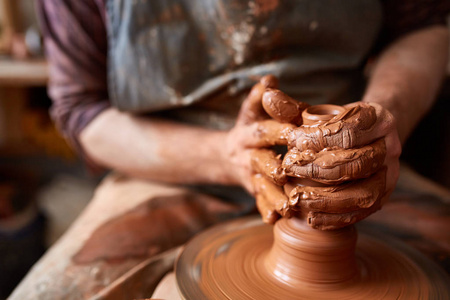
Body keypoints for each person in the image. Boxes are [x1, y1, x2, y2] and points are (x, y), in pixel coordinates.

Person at [10, 0, 449, 299]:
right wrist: (226, 155)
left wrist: (382, 118)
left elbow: (424, 26)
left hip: (352, 166)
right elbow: (81, 109)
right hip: (168, 162)